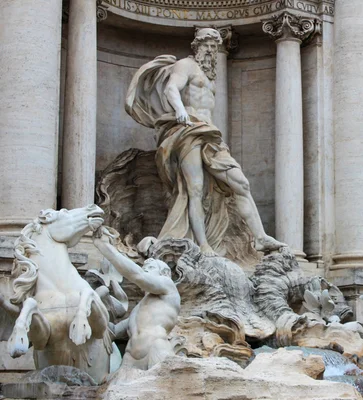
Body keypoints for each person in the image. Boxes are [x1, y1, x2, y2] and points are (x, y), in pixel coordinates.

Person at [126, 28, 285, 256]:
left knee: (241, 184)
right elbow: (172, 88)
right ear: (196, 46)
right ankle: (203, 245)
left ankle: (259, 238)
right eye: (207, 45)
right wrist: (180, 110)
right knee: (195, 190)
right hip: (188, 129)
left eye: (214, 46)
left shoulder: (210, 75)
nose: (211, 50)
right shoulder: (186, 65)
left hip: (210, 134)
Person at [93, 229, 180, 370]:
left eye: (150, 268)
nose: (145, 271)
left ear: (164, 273)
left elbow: (137, 275)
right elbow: (112, 330)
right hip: (130, 359)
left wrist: (104, 247)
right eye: (144, 268)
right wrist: (93, 305)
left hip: (156, 349)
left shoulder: (168, 288)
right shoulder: (139, 309)